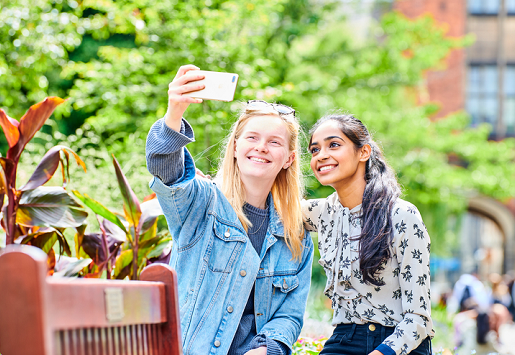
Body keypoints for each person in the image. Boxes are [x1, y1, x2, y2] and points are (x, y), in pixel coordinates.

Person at [146, 65, 314, 355]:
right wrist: (175, 113)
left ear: (288, 159)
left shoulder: (295, 233)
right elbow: (165, 168)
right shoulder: (201, 204)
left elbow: (289, 315)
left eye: (274, 142)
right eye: (252, 138)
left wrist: (266, 349)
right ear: (235, 147)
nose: (261, 147)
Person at [301, 114, 434, 355]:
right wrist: (208, 182)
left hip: (400, 343)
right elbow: (259, 200)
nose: (321, 155)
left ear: (363, 153)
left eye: (333, 145)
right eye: (314, 150)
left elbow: (419, 318)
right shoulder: (322, 212)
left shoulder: (401, 214)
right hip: (344, 339)